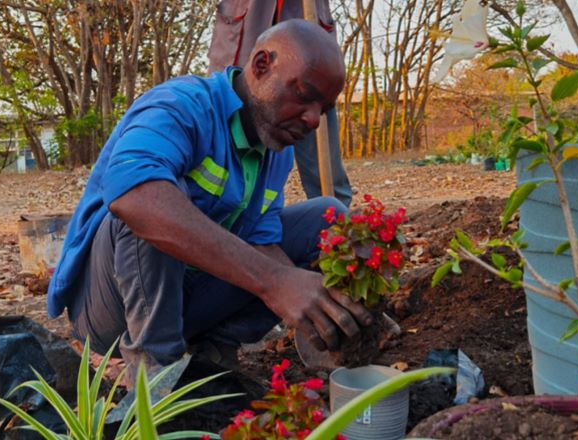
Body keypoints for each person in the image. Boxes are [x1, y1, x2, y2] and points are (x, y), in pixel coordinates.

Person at [47, 20, 371, 382]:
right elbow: (133, 197)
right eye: (304, 95)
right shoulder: (181, 105)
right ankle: (155, 375)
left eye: (323, 109)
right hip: (112, 309)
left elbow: (262, 242)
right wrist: (275, 281)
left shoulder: (276, 151)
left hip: (187, 299)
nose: (313, 119)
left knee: (327, 216)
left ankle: (214, 350)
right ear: (262, 65)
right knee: (151, 202)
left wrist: (312, 298)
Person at [207, 0, 353, 206]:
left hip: (307, 31)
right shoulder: (187, 104)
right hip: (245, 27)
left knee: (313, 117)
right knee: (234, 134)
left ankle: (333, 215)